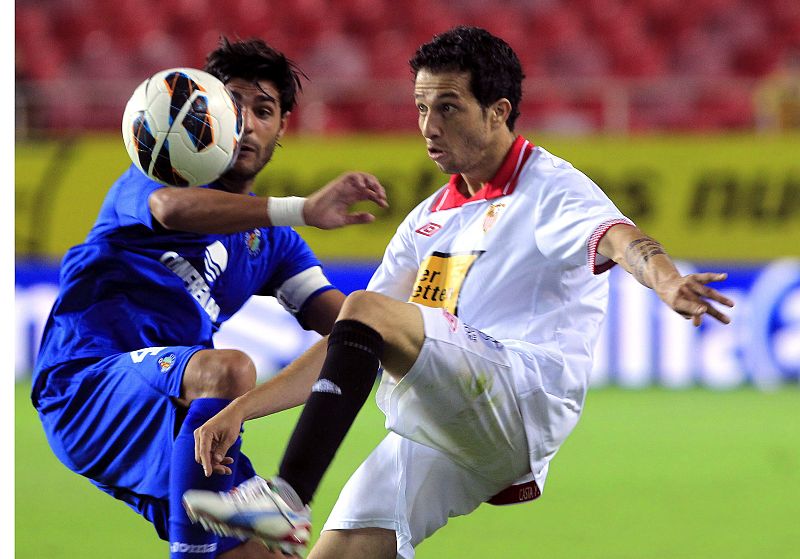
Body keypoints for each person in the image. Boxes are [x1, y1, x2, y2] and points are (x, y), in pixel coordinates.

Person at [183, 26, 735, 559]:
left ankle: (286, 498)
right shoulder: (426, 222)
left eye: (448, 107)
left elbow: (619, 236)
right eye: (421, 108)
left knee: (369, 308)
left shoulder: (548, 185)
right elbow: (350, 343)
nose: (428, 125)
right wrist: (243, 408)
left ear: (498, 111)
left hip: (520, 393)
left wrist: (667, 279)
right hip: (441, 425)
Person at [30, 36, 387, 559]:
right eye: (233, 106)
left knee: (265, 555)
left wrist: (404, 324)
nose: (247, 123)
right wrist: (300, 208)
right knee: (227, 370)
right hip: (87, 382)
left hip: (180, 417)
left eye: (264, 111)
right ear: (208, 113)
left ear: (282, 127)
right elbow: (173, 210)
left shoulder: (275, 245)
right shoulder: (154, 175)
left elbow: (349, 334)